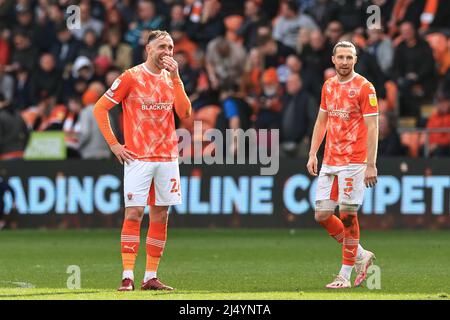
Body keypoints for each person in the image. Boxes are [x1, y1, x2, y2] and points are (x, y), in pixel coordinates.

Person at [93, 30, 191, 291]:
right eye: (162, 47)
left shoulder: (172, 80)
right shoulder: (131, 77)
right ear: (148, 49)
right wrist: (115, 145)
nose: (167, 52)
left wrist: (177, 78)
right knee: (134, 213)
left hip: (168, 156)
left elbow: (185, 113)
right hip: (138, 157)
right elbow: (100, 108)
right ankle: (127, 276)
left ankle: (150, 276)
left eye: (170, 47)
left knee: (161, 215)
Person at [306, 41, 378, 289]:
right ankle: (361, 254)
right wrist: (313, 153)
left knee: (347, 215)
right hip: (330, 159)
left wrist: (371, 164)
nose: (345, 62)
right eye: (341, 57)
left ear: (355, 59)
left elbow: (373, 127)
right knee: (322, 215)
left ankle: (344, 276)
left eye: (350, 57)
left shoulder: (365, 87)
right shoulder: (328, 85)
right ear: (333, 59)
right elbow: (321, 122)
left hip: (354, 161)